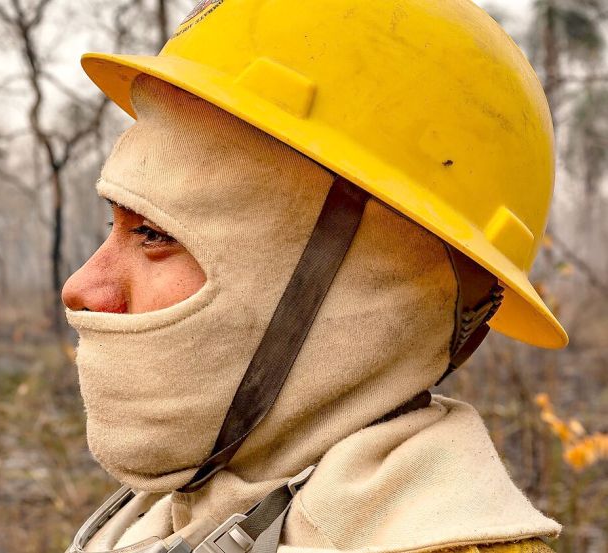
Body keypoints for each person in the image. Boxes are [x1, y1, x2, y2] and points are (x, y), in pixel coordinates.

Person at [60, 1, 568, 552]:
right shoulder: (155, 520)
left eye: (155, 235)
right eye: (115, 226)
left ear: (365, 289)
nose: (82, 287)